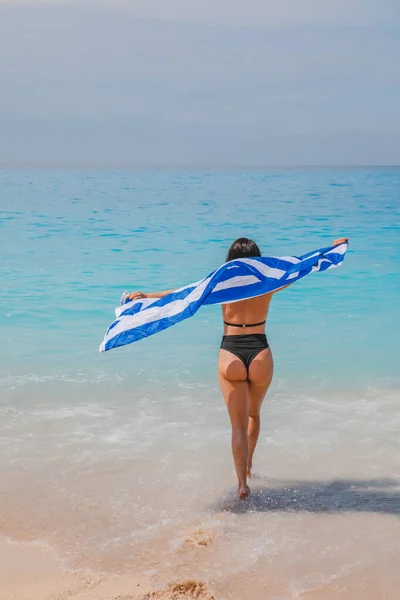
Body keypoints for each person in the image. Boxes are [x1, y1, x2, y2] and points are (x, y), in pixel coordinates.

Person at [127, 237, 348, 500]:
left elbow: (185, 293)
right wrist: (332, 249)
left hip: (230, 352)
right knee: (253, 415)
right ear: (258, 259)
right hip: (260, 353)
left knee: (237, 427)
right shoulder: (268, 283)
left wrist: (147, 296)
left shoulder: (220, 284)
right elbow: (301, 268)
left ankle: (241, 483)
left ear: (230, 260)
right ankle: (250, 465)